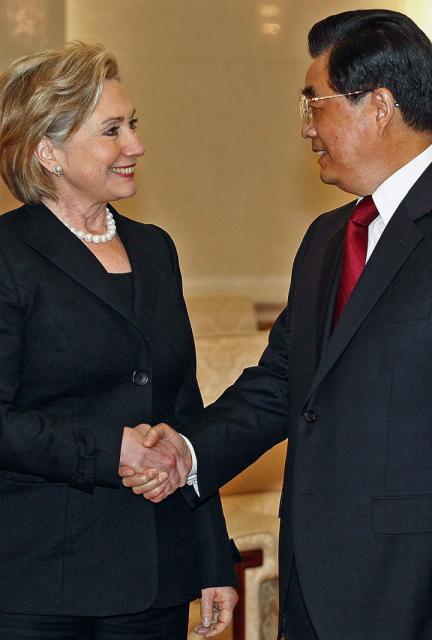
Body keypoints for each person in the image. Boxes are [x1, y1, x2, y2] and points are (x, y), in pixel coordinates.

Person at [120, 9, 432, 640]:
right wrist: (187, 451)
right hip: (313, 576)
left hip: (411, 579)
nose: (306, 128)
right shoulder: (327, 239)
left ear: (378, 106)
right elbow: (282, 382)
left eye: (314, 103)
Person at [0, 42, 238, 640]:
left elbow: (184, 408)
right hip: (37, 583)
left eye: (133, 124)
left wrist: (213, 558)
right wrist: (112, 450)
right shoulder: (8, 255)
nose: (135, 145)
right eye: (112, 131)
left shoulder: (155, 248)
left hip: (156, 574)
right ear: (48, 151)